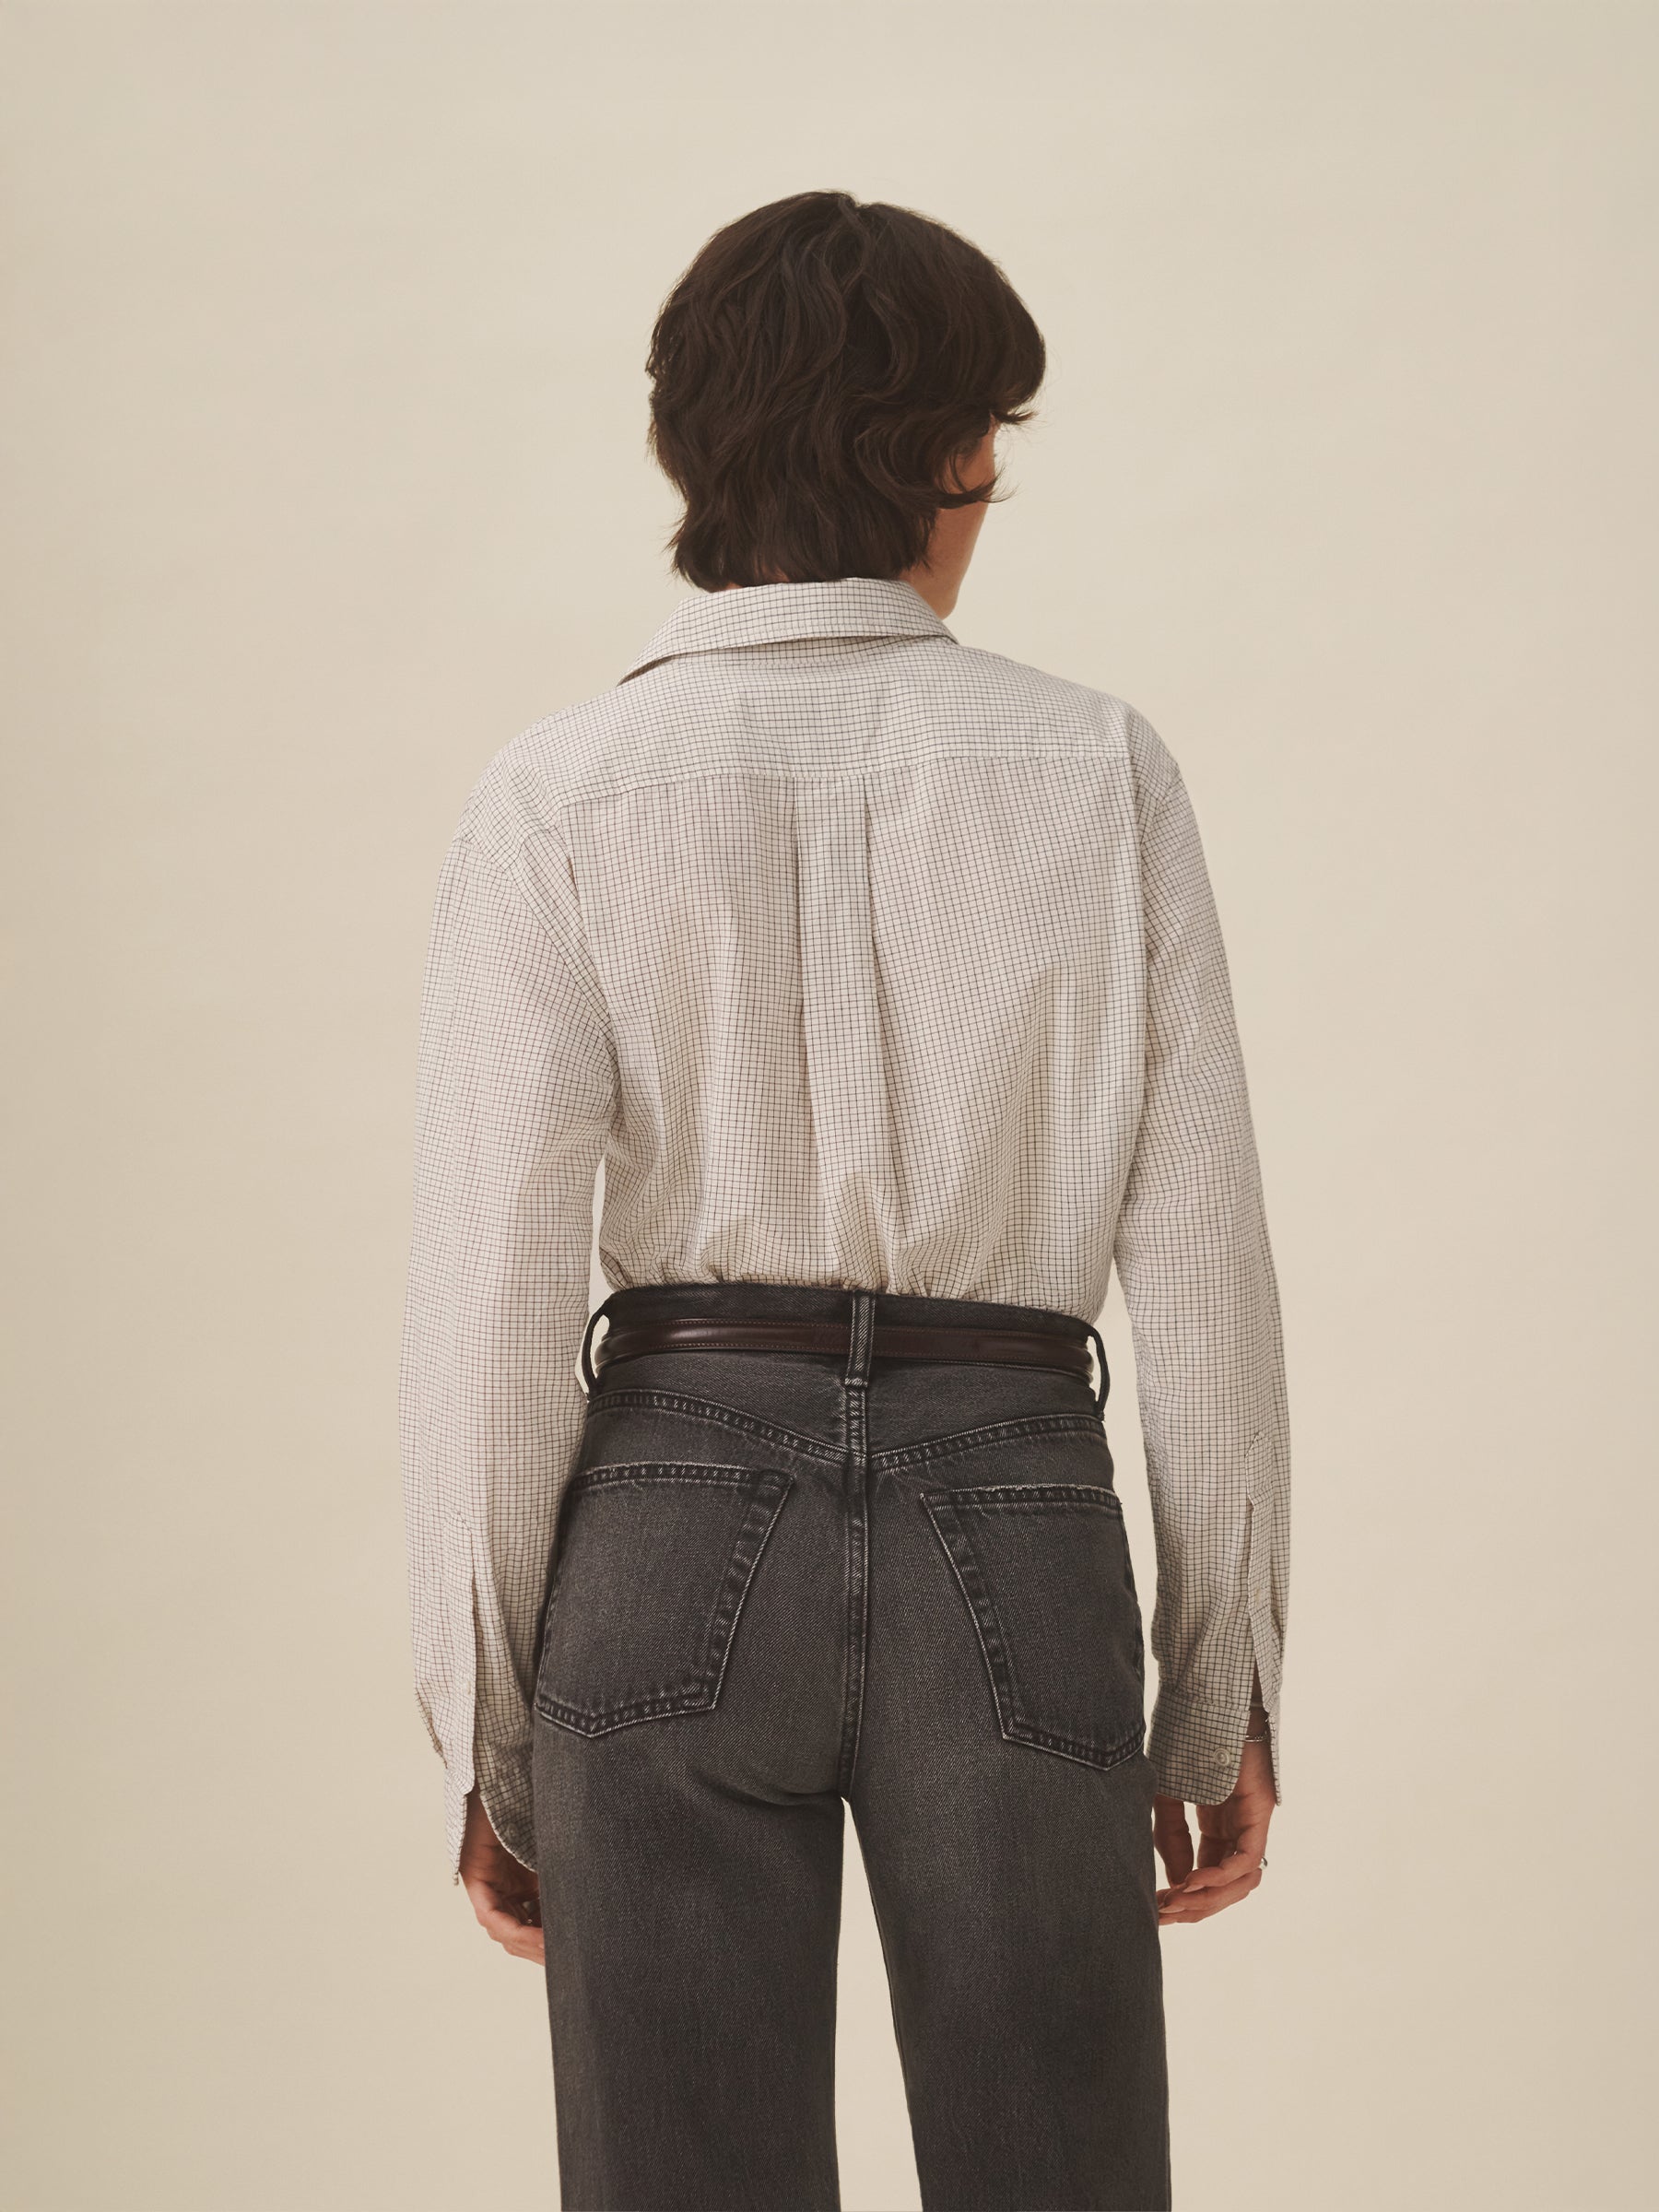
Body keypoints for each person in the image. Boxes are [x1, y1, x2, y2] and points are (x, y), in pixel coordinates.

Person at [399, 188, 1290, 2212]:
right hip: (1016, 1503)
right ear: (953, 456)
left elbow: (492, 1295)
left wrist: (488, 1723)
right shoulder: (1101, 769)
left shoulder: (557, 794)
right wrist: (1222, 1681)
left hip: (667, 1509)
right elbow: (1204, 1266)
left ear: (683, 449)